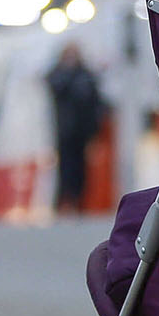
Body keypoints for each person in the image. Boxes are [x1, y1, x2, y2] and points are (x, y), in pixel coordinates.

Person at [46, 45, 104, 214]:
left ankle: (79, 201)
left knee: (81, 167)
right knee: (64, 166)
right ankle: (64, 201)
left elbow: (94, 102)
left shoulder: (85, 76)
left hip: (82, 130)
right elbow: (54, 86)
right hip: (64, 130)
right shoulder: (59, 74)